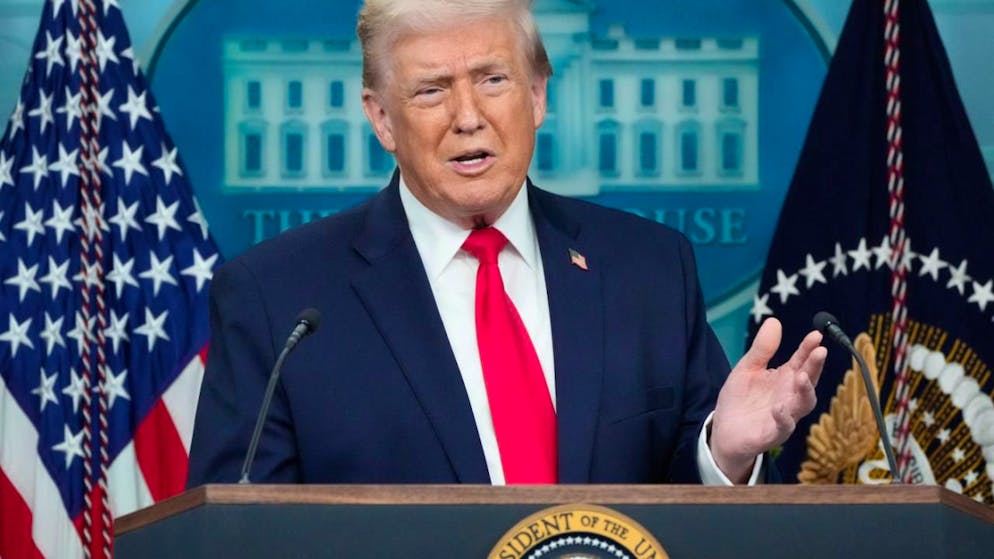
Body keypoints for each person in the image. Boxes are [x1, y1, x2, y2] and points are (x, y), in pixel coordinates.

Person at [186, 0, 826, 487]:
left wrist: (726, 454)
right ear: (382, 118)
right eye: (432, 89)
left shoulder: (650, 269)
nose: (469, 116)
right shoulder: (278, 297)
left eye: (493, 80)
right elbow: (238, 528)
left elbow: (681, 509)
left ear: (538, 95)